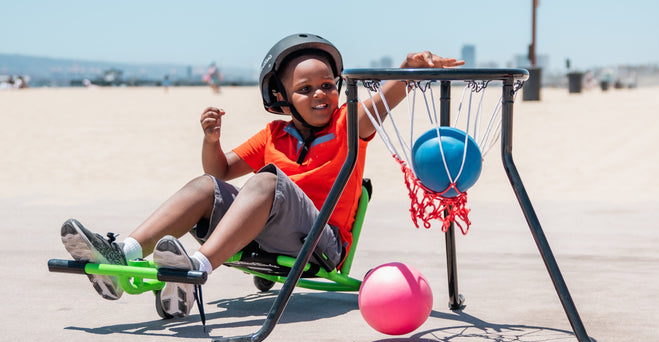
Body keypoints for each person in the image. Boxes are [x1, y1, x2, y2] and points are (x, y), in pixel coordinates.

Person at [60, 33, 463, 318]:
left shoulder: (349, 123)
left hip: (319, 244)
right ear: (283, 98)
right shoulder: (274, 134)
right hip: (266, 233)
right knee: (205, 186)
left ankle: (195, 268)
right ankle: (124, 254)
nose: (321, 94)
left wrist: (409, 70)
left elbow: (388, 95)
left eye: (328, 85)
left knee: (268, 180)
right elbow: (217, 174)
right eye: (305, 89)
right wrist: (211, 141)